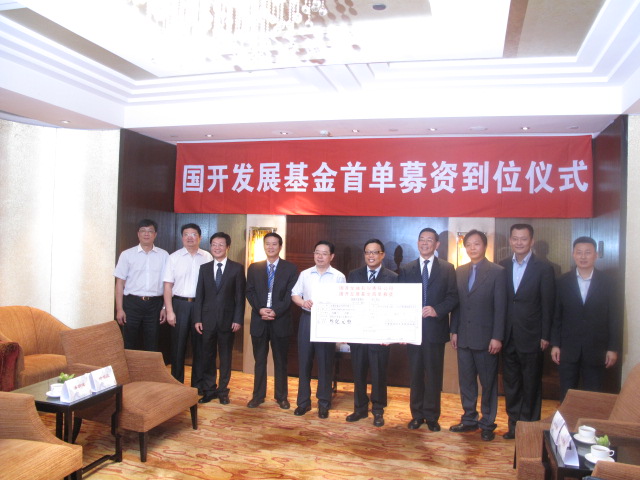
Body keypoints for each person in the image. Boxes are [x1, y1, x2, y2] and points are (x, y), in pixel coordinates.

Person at [398, 228, 458, 432]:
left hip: (435, 330)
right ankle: (416, 415)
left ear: (437, 244)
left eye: (429, 240)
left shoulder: (447, 268)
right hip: (413, 331)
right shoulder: (407, 269)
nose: (425, 243)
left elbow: (453, 297)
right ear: (417, 243)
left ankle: (432, 416)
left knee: (433, 375)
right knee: (415, 375)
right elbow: (400, 300)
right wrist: (402, 330)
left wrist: (436, 310)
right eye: (421, 239)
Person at [499, 224, 555, 439]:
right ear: (510, 241)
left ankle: (529, 427)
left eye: (523, 239)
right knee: (511, 383)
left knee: (531, 383)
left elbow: (548, 304)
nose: (519, 242)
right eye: (515, 238)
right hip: (508, 335)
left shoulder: (544, 268)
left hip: (532, 335)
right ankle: (514, 425)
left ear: (531, 241)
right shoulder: (502, 266)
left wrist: (545, 334)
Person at [450, 230, 506, 442]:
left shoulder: (497, 272)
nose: (472, 248)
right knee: (466, 382)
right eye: (469, 245)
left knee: (488, 383)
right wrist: (454, 330)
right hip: (463, 337)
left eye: (477, 244)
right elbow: (457, 304)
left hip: (486, 339)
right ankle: (469, 419)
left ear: (484, 246)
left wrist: (497, 336)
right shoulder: (460, 271)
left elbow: (501, 307)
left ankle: (487, 423)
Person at [551, 236, 620, 400]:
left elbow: (615, 317)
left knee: (593, 396)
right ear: (573, 254)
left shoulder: (609, 282)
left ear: (596, 255)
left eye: (588, 252)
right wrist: (555, 344)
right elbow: (556, 316)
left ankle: (589, 419)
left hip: (597, 349)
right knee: (567, 395)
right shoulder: (562, 281)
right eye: (579, 252)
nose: (583, 257)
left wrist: (613, 348)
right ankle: (568, 419)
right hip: (568, 349)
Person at [345, 239, 398, 427]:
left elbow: (395, 307)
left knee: (378, 373)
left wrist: (391, 334)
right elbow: (348, 304)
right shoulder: (354, 275)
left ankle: (378, 410)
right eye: (368, 252)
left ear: (382, 255)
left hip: (380, 336)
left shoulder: (392, 277)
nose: (371, 256)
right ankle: (359, 408)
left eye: (375, 252)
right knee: (358, 373)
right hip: (358, 335)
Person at [291, 240, 346, 419]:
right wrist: (302, 302)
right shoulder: (305, 274)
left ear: (331, 256)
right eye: (317, 252)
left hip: (327, 322)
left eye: (324, 253)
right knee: (304, 362)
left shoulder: (338, 276)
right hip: (307, 319)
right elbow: (295, 294)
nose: (320, 256)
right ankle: (303, 402)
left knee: (325, 363)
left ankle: (324, 403)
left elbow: (344, 301)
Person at [245, 232, 299, 410]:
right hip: (259, 320)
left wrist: (275, 311)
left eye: (274, 244)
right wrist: (260, 309)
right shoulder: (254, 268)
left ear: (280, 246)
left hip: (280, 321)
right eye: (267, 243)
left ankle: (281, 397)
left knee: (281, 361)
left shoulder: (290, 268)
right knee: (259, 361)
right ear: (264, 246)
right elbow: (250, 291)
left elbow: (291, 294)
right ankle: (258, 396)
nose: (270, 247)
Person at [193, 232, 246, 404]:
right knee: (207, 356)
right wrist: (197, 319)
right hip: (207, 320)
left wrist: (238, 319)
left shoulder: (236, 268)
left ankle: (223, 391)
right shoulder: (204, 268)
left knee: (225, 357)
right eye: (214, 244)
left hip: (228, 321)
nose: (217, 248)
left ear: (227, 247)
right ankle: (209, 390)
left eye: (221, 244)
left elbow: (240, 297)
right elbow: (199, 296)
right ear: (211, 247)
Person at [163, 223, 213, 390]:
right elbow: (167, 286)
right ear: (182, 237)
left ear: (200, 237)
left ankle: (197, 386)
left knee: (200, 347)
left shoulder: (207, 257)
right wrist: (169, 311)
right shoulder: (173, 257)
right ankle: (176, 385)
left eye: (193, 234)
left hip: (201, 306)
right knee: (178, 347)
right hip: (179, 305)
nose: (190, 237)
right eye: (186, 234)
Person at [114, 219, 169, 351]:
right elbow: (119, 283)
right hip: (132, 303)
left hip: (155, 305)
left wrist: (164, 307)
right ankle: (130, 366)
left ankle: (150, 366)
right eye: (143, 231)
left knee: (152, 342)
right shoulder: (127, 255)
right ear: (138, 234)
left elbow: (167, 284)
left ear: (155, 234)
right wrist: (119, 309)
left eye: (150, 231)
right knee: (129, 341)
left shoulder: (164, 255)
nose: (146, 234)